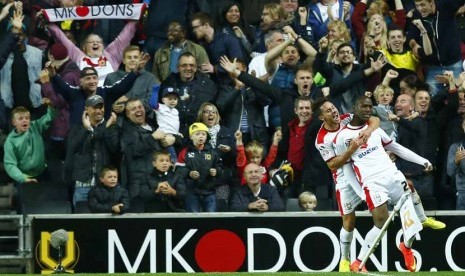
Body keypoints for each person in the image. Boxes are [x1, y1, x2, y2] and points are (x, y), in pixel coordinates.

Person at [333, 96, 443, 272]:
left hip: (392, 175)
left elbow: (396, 148)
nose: (368, 109)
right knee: (381, 222)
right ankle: (359, 262)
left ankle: (407, 246)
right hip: (372, 183)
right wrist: (360, 192)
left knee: (410, 215)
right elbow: (346, 169)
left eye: (370, 106)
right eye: (363, 106)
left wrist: (422, 161)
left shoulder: (375, 130)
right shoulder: (342, 137)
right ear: (354, 107)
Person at [50, 57, 146, 125]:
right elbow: (62, 86)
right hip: (79, 142)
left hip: (102, 141)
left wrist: (135, 71)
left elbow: (123, 85)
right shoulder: (74, 93)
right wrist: (53, 75)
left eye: (94, 78)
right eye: (88, 78)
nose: (92, 81)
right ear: (81, 82)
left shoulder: (106, 92)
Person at [120, 98, 176, 212]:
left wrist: (173, 139)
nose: (138, 110)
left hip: (159, 184)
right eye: (133, 109)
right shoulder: (126, 130)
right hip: (139, 188)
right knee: (139, 226)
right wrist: (152, 137)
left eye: (140, 107)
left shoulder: (154, 125)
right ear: (127, 114)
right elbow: (131, 151)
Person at [46, 17, 138, 86]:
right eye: (91, 42)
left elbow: (124, 36)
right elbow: (62, 38)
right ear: (84, 47)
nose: (95, 43)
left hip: (111, 94)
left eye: (98, 42)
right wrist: (48, 21)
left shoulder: (111, 55)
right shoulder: (79, 56)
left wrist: (136, 18)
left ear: (103, 46)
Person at [66, 95, 119, 208]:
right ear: (86, 109)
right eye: (95, 108)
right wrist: (86, 129)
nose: (99, 111)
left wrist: (107, 127)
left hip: (105, 186)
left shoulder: (112, 127)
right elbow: (71, 147)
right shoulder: (78, 128)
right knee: (81, 223)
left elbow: (115, 149)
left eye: (101, 107)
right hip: (83, 185)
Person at [407, 0, 465, 97]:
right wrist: (414, 45)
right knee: (434, 101)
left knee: (459, 99)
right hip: (432, 68)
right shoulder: (416, 15)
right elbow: (411, 35)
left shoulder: (446, 6)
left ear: (432, 3)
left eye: (423, 5)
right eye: (417, 5)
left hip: (454, 65)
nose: (420, 8)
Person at [160, 52, 217, 137]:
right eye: (184, 65)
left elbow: (215, 108)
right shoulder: (167, 84)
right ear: (178, 67)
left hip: (200, 134)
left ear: (196, 67)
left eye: (191, 65)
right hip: (173, 134)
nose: (188, 68)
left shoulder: (207, 85)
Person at [3, 102, 57, 185]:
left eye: (27, 118)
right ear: (14, 122)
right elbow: (10, 164)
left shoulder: (35, 126)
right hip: (24, 178)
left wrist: (51, 106)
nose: (25, 120)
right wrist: (22, 178)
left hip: (43, 174)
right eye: (20, 118)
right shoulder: (10, 141)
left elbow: (50, 117)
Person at [196, 103, 237, 210]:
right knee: (202, 216)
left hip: (222, 181)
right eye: (207, 111)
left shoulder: (227, 132)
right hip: (202, 182)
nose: (211, 114)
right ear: (201, 115)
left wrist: (229, 150)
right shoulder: (196, 132)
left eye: (213, 112)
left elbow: (237, 157)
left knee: (221, 211)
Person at [176, 122, 222, 212]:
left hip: (209, 191)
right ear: (191, 136)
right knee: (193, 220)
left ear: (207, 136)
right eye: (197, 134)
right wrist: (189, 173)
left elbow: (220, 166)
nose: (201, 136)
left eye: (203, 134)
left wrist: (216, 171)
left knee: (211, 219)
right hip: (191, 192)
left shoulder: (213, 152)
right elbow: (178, 169)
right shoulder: (185, 152)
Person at [190, 12, 244, 77]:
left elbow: (238, 64)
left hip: (229, 81)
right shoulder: (201, 44)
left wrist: (215, 69)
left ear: (206, 25)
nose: (194, 30)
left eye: (196, 27)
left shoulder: (228, 40)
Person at [104, 45, 157, 110]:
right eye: (129, 57)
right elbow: (105, 101)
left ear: (140, 59)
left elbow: (151, 103)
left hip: (141, 117)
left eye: (135, 57)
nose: (132, 60)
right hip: (117, 117)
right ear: (123, 61)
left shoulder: (150, 78)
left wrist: (126, 103)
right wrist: (112, 107)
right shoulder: (111, 77)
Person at [149, 86, 182, 163]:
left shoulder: (176, 111)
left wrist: (178, 132)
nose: (173, 101)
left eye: (175, 99)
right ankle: (172, 164)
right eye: (170, 99)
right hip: (164, 135)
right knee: (171, 156)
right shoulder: (161, 107)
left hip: (174, 135)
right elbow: (153, 104)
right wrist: (155, 91)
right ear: (163, 99)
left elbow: (174, 123)